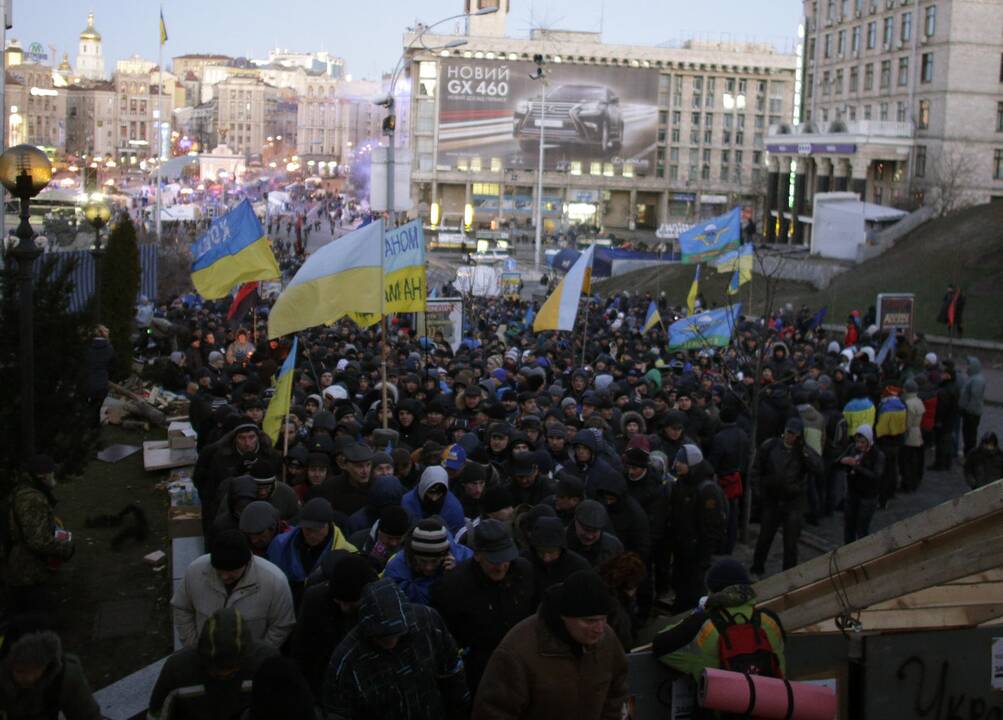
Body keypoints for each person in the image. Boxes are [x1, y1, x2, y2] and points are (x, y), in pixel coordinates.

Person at [472, 569, 629, 720]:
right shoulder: (517, 651)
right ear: (565, 616)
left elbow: (617, 690)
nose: (600, 629)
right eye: (590, 621)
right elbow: (492, 712)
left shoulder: (606, 638)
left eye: (603, 618)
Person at [322, 578, 470, 720]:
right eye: (382, 637)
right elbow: (339, 711)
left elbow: (452, 671)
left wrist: (461, 711)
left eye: (396, 634)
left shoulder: (428, 622)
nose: (391, 642)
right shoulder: (347, 659)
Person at [432, 519, 536, 694]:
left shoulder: (523, 573)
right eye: (494, 560)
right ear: (478, 555)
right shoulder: (453, 587)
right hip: (478, 671)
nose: (502, 566)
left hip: (521, 662)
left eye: (506, 558)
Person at [652, 558, 786, 684]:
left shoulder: (703, 625)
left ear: (712, 591)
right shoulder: (770, 619)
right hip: (771, 704)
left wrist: (694, 616)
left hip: (724, 707)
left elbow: (659, 645)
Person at [171, 530, 296, 649]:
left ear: (246, 563)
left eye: (232, 571)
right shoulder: (195, 571)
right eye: (219, 570)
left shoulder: (275, 581)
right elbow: (182, 608)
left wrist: (258, 657)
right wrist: (193, 645)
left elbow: (281, 625)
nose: (225, 576)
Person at [148, 608, 277, 720]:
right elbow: (157, 713)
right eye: (216, 670)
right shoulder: (177, 669)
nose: (223, 675)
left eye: (231, 670)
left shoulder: (267, 663)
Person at [293, 552, 377, 696]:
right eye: (339, 602)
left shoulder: (377, 603)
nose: (344, 608)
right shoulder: (314, 600)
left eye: (350, 605)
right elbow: (302, 649)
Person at [3, 455, 75, 616]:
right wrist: (66, 548)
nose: (54, 476)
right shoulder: (32, 500)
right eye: (52, 473)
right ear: (42, 476)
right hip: (27, 571)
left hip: (20, 567)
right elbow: (38, 540)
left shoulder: (23, 491)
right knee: (36, 616)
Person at [750, 419, 822, 575]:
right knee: (764, 538)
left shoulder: (802, 451)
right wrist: (759, 493)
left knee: (790, 542)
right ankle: (757, 567)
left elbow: (818, 468)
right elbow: (756, 470)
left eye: (794, 434)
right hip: (772, 499)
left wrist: (805, 452)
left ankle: (788, 573)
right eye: (789, 433)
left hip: (793, 502)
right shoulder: (770, 446)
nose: (791, 437)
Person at [666, 445, 726, 611]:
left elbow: (712, 526)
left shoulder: (706, 489)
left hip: (696, 552)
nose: (677, 464)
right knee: (681, 584)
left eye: (682, 462)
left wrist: (703, 555)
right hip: (682, 548)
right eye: (677, 460)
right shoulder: (682, 482)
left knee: (694, 589)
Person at [266, 498, 356, 607]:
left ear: (328, 525)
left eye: (317, 529)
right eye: (307, 529)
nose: (312, 535)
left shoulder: (349, 554)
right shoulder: (280, 545)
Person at [0, 626, 100, 720]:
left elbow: (88, 716)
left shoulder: (66, 675)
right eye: (20, 671)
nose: (29, 678)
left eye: (35, 670)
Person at [384, 518, 473, 605]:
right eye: (422, 561)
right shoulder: (396, 568)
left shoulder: (465, 559)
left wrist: (455, 576)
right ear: (413, 555)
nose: (428, 567)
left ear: (445, 555)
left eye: (434, 561)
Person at [841, 425, 886, 543]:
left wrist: (856, 466)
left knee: (862, 529)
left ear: (869, 441)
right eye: (857, 441)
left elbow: (876, 476)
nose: (859, 445)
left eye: (862, 442)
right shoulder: (853, 448)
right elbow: (840, 460)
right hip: (852, 494)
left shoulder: (877, 455)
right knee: (849, 527)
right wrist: (844, 461)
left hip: (868, 497)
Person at [565, 500, 624, 569]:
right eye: (586, 530)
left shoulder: (614, 547)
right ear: (575, 521)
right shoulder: (560, 541)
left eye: (595, 531)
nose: (590, 536)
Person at [959, 356, 986, 456]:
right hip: (969, 412)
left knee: (970, 435)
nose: (967, 367)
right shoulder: (973, 378)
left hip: (971, 413)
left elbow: (975, 397)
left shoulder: (977, 380)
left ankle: (969, 455)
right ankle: (968, 453)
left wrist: (968, 410)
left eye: (969, 365)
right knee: (967, 434)